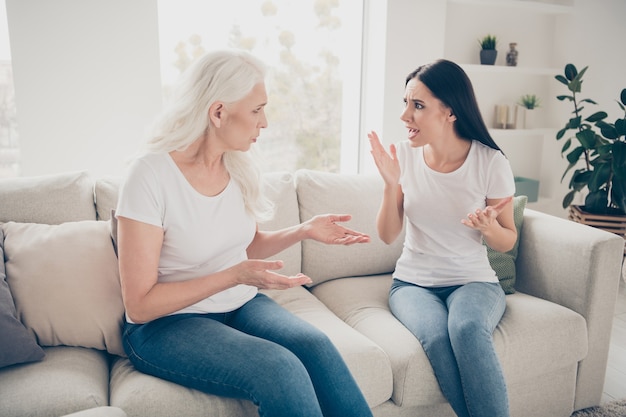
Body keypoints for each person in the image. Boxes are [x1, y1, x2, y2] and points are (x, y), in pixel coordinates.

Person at [115, 49, 374, 417]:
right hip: (166, 326)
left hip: (238, 303)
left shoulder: (234, 167)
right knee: (279, 368)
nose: (264, 122)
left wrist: (303, 230)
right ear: (218, 112)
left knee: (315, 346)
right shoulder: (150, 175)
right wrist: (235, 274)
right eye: (257, 110)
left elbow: (247, 244)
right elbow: (139, 305)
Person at [368, 59, 516, 417]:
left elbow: (506, 240)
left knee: (465, 329)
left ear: (450, 112)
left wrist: (488, 228)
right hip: (412, 284)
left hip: (474, 282)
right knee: (435, 336)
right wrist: (391, 186)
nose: (405, 116)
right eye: (405, 103)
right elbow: (388, 235)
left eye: (417, 106)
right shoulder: (402, 156)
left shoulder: (490, 162)